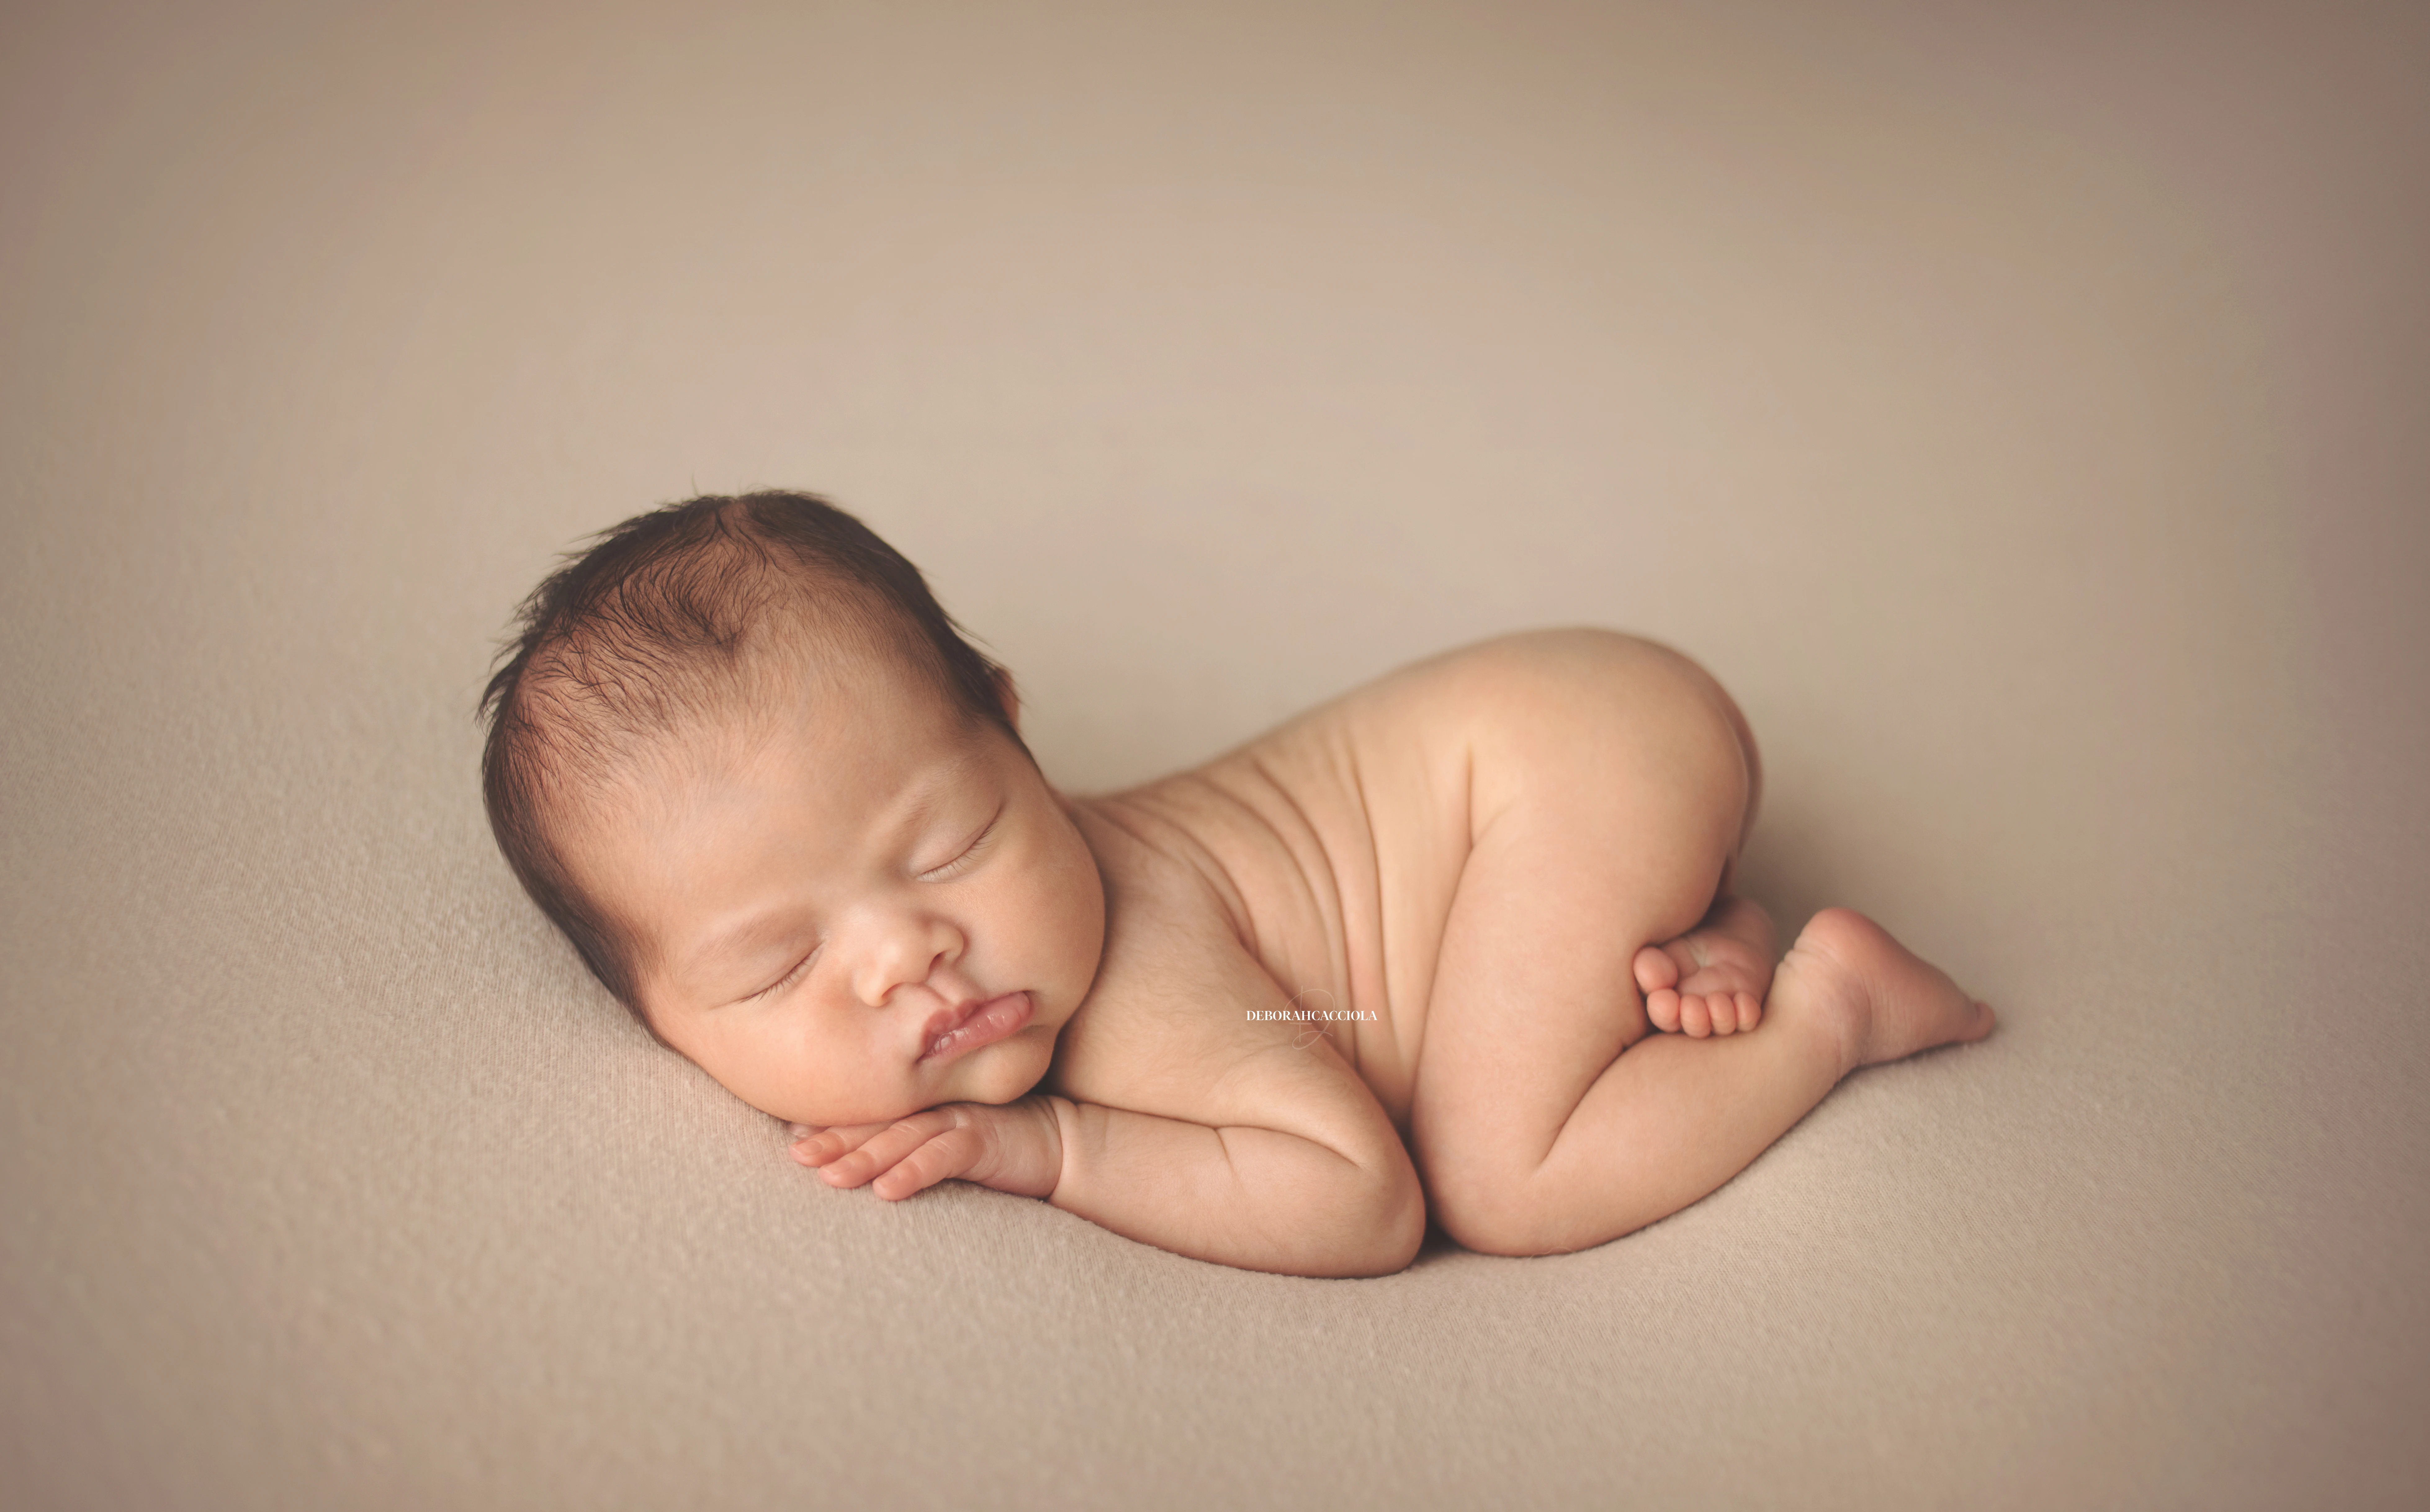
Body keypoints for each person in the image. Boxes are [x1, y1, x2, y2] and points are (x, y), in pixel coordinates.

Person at [479, 491, 1994, 1277]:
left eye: (946, 846)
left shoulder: (1136, 984)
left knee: (1504, 1178)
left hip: (1567, 756)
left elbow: (1361, 1201)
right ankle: (1696, 937)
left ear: (1014, 729)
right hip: (1558, 771)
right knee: (1520, 1007)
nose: (906, 953)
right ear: (656, 1020)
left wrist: (1055, 1153)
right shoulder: (1002, 934)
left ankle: (1828, 1011)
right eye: (771, 969)